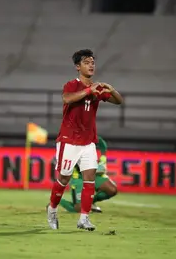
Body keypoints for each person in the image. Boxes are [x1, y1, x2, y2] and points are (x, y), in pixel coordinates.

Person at [46, 49, 123, 231]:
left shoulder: (97, 88)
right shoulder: (72, 85)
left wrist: (111, 90)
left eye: (92, 62)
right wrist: (89, 90)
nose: (91, 65)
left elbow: (118, 101)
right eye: (87, 62)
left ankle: (84, 218)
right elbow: (67, 99)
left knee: (89, 179)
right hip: (69, 140)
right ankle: (52, 209)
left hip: (88, 141)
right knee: (63, 178)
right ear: (77, 67)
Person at [59, 136, 118, 214]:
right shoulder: (70, 143)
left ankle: (90, 202)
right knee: (79, 209)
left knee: (112, 190)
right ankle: (57, 200)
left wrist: (103, 157)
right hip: (79, 177)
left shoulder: (89, 134)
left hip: (93, 173)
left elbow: (101, 142)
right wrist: (98, 168)